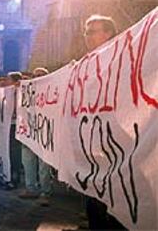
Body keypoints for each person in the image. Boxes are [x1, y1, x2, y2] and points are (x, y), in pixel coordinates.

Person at [81, 14, 125, 230]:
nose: (87, 36)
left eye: (92, 32)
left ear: (108, 33)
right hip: (94, 147)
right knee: (95, 204)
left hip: (119, 143)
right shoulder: (86, 63)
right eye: (86, 32)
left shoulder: (124, 57)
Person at [18, 67, 53, 207]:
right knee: (27, 161)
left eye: (41, 75)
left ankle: (45, 191)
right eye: (35, 75)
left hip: (44, 132)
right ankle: (31, 188)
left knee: (44, 165)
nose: (37, 77)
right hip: (28, 133)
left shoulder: (51, 90)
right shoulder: (27, 91)